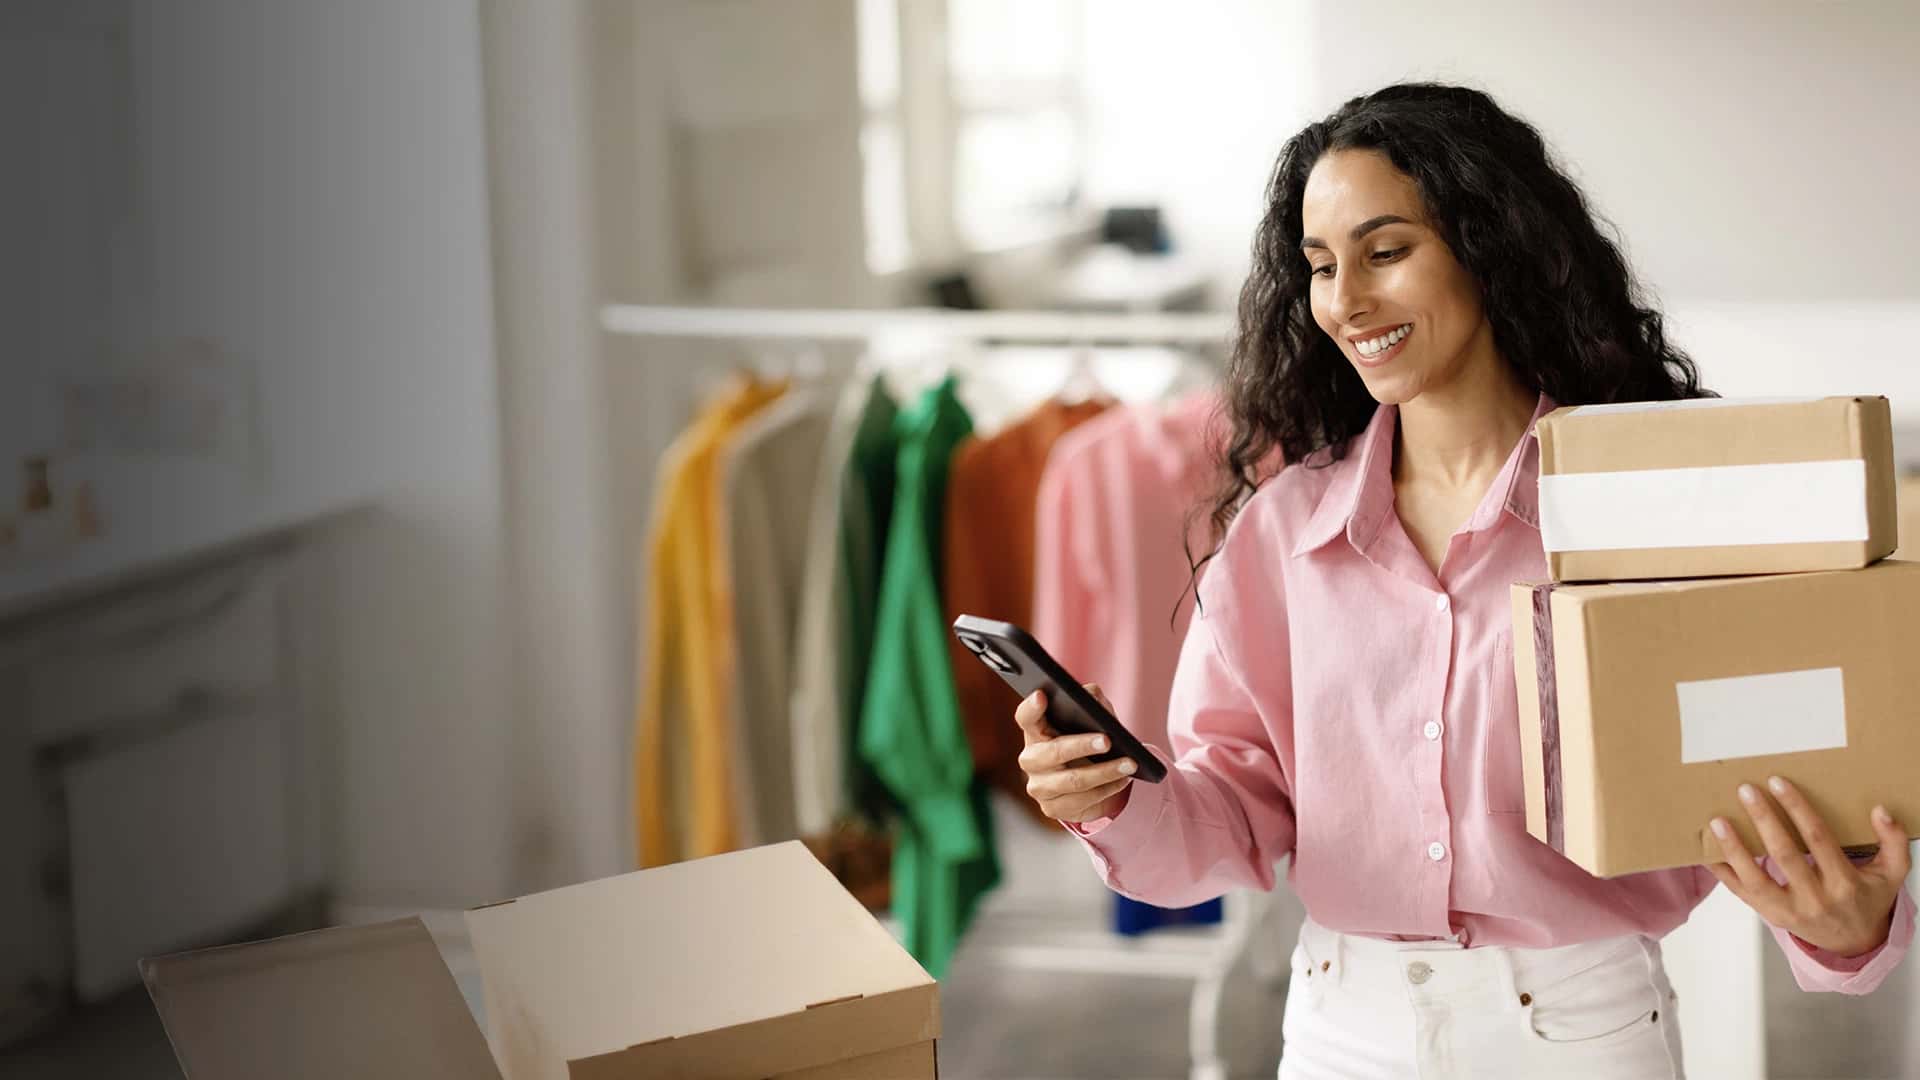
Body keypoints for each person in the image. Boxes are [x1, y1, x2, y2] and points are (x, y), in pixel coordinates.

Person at [1012, 83, 1915, 1078]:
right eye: (1320, 267)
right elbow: (1229, 818)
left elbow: (1770, 767)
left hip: (1581, 1035)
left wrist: (1848, 922)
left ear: (1489, 247)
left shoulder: (1654, 508)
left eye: (1385, 251)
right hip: (1338, 1036)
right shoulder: (1282, 533)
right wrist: (1111, 799)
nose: (1345, 300)